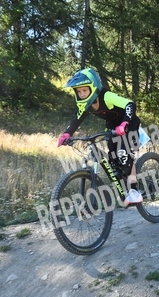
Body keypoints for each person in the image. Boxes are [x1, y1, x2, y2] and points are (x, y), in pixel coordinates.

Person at [57, 68, 143, 205]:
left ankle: (134, 191)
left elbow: (130, 104)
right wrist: (66, 134)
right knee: (113, 161)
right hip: (112, 127)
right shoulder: (86, 104)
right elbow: (77, 119)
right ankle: (123, 190)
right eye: (79, 91)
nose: (82, 94)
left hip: (128, 124)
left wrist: (124, 124)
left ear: (93, 88)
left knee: (123, 154)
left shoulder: (106, 96)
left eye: (84, 90)